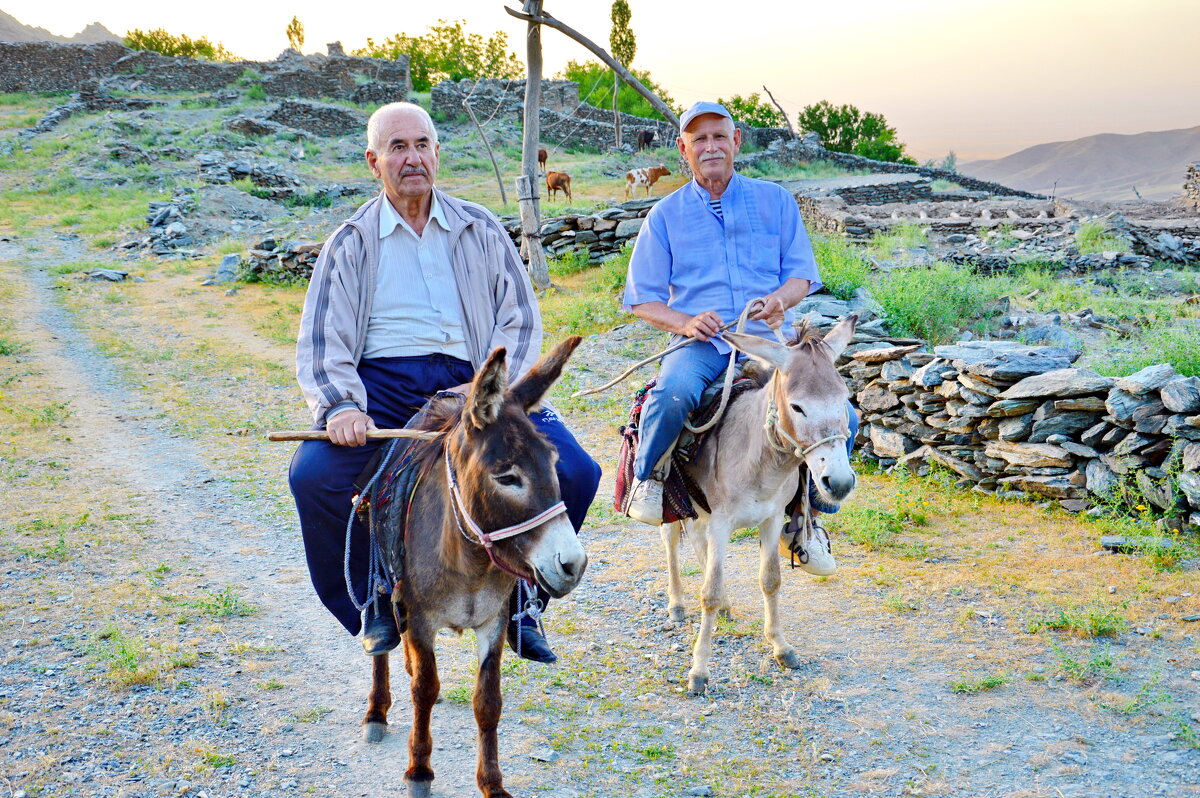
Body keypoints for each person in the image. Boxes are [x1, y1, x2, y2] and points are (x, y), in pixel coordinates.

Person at [288, 102, 601, 663]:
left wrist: (487, 388)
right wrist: (340, 408)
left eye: (422, 145)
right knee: (314, 476)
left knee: (577, 470)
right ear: (373, 161)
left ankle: (521, 602)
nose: (412, 158)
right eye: (398, 147)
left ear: (437, 152)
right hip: (383, 384)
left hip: (474, 384)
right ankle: (375, 601)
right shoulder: (351, 242)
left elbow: (520, 320)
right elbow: (323, 340)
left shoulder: (478, 228)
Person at [621, 101, 858, 573]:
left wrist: (780, 300)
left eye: (719, 136)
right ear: (683, 149)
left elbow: (801, 277)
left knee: (841, 412)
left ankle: (806, 522)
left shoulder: (775, 202)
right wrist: (685, 322)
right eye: (699, 139)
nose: (710, 146)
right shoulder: (665, 216)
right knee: (673, 394)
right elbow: (642, 299)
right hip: (703, 345)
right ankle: (647, 480)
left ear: (736, 142)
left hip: (772, 342)